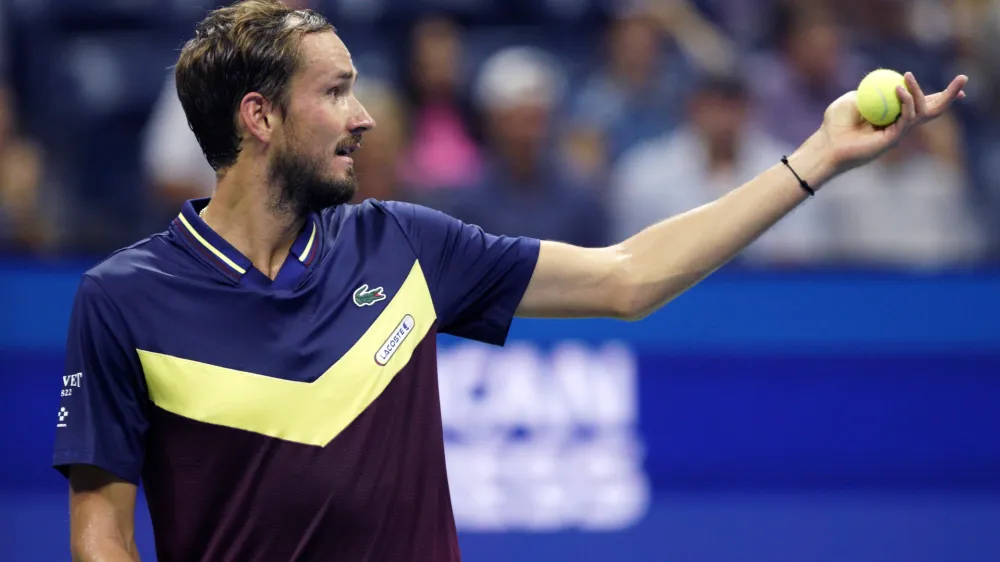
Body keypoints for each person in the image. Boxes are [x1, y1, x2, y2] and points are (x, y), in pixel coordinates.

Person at [51, 1, 968, 561]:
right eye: (333, 91)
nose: (364, 117)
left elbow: (627, 277)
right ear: (258, 118)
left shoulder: (402, 245)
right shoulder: (124, 301)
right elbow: (102, 533)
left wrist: (817, 157)